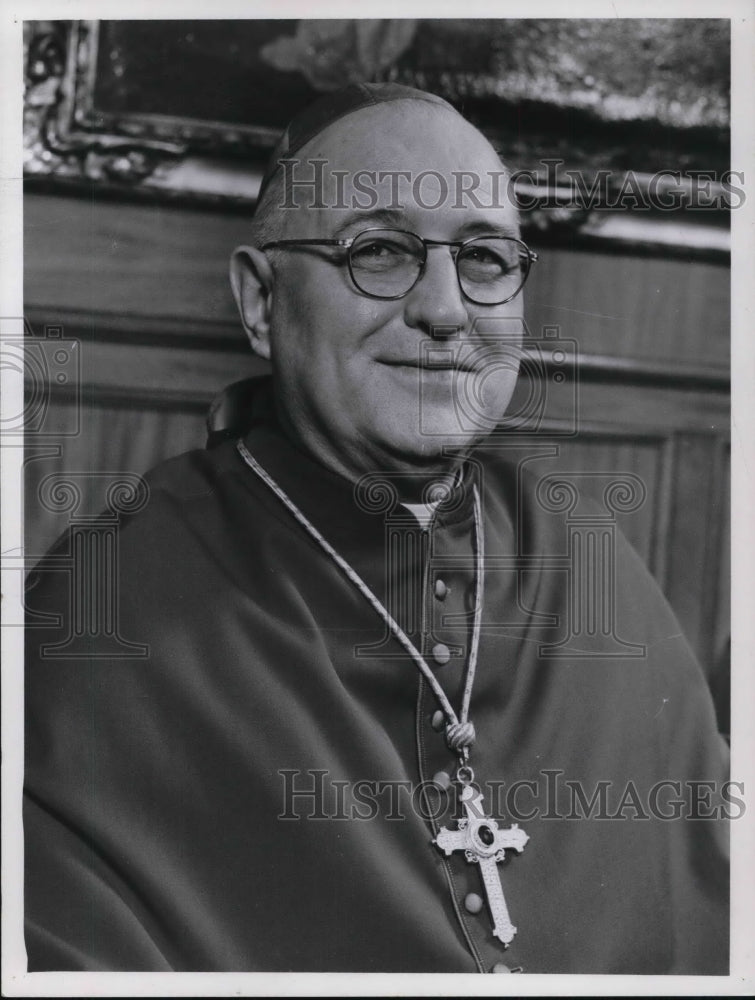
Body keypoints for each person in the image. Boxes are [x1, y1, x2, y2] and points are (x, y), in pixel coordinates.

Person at [24, 83, 729, 974]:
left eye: (483, 259)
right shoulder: (108, 605)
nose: (446, 309)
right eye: (382, 251)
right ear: (260, 302)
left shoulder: (594, 561)